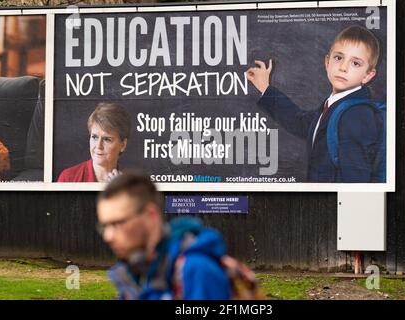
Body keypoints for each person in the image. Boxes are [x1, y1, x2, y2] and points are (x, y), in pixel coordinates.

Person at [246, 25, 383, 183]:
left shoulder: (356, 115)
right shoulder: (335, 104)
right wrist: (265, 88)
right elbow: (300, 123)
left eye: (356, 63)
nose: (343, 68)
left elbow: (355, 179)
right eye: (338, 58)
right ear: (327, 62)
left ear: (368, 75)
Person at [96, 171, 232, 300]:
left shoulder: (196, 270)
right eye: (105, 226)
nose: (108, 236)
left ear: (151, 215)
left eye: (117, 223)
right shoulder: (133, 274)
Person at [57, 102, 131, 182]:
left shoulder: (132, 185)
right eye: (94, 137)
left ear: (123, 145)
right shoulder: (69, 178)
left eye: (107, 139)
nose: (98, 146)